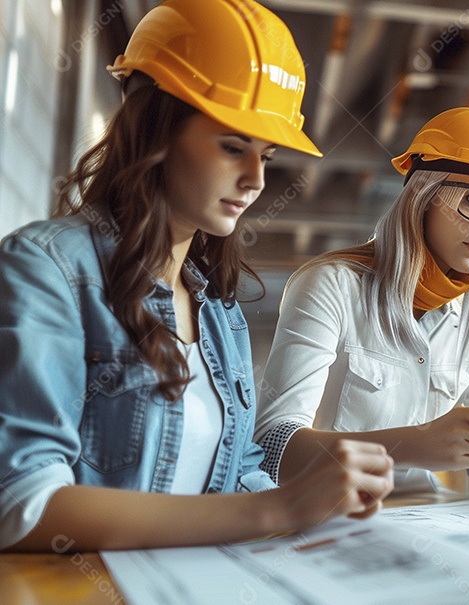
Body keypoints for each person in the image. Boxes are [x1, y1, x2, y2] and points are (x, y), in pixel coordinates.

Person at [0, 0, 394, 553]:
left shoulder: (218, 310)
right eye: (234, 147)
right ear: (153, 131)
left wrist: (317, 507)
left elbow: (239, 471)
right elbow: (22, 503)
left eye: (267, 155)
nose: (256, 179)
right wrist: (275, 507)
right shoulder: (48, 270)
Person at [254, 107, 469, 497]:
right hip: (328, 514)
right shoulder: (330, 286)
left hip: (424, 515)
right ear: (424, 195)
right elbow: (272, 444)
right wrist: (413, 444)